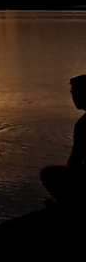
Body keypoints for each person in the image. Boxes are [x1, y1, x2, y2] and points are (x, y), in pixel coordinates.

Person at [40, 74, 86, 206]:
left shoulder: (83, 125)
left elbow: (75, 159)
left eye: (76, 93)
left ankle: (65, 203)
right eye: (72, 94)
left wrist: (66, 182)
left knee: (48, 173)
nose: (73, 98)